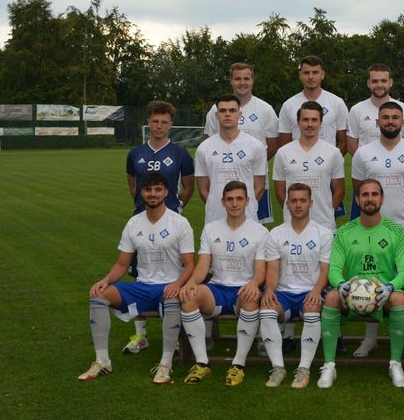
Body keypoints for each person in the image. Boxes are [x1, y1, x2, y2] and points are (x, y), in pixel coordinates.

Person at [78, 172, 195, 385]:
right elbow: (122, 264)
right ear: (141, 192)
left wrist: (177, 284)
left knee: (172, 298)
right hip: (142, 287)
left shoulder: (180, 223)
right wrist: (105, 280)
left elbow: (189, 264)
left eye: (158, 189)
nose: (153, 194)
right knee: (99, 295)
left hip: (168, 287)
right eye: (148, 190)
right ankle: (102, 361)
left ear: (166, 192)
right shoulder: (133, 223)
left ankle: (165, 364)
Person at [350, 101, 404, 357]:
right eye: (385, 117)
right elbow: (358, 189)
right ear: (377, 122)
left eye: (395, 117)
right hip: (372, 229)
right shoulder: (363, 153)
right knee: (370, 279)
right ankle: (370, 338)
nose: (390, 121)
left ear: (403, 122)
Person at [316, 180, 404, 389]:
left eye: (374, 194)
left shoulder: (396, 231)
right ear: (357, 199)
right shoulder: (344, 231)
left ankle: (395, 363)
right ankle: (329, 365)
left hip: (381, 295)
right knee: (332, 297)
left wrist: (389, 287)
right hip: (352, 294)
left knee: (398, 297)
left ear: (382, 198)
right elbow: (333, 269)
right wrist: (341, 285)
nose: (370, 199)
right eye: (365, 195)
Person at [178, 181, 272, 386]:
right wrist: (191, 283)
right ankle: (202, 363)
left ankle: (238, 364)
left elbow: (261, 272)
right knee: (189, 297)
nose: (235, 203)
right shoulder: (211, 229)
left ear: (247, 201)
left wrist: (254, 284)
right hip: (217, 290)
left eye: (239, 199)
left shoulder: (260, 232)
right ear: (222, 202)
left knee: (251, 297)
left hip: (243, 290)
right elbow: (203, 267)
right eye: (230, 199)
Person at [124, 100, 194, 353]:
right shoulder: (135, 154)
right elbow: (133, 184)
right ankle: (140, 335)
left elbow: (188, 186)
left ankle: (174, 336)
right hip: (142, 220)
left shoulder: (180, 154)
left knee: (174, 275)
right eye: (155, 121)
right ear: (149, 122)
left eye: (164, 122)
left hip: (170, 222)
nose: (159, 126)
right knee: (139, 274)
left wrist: (177, 207)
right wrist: (143, 204)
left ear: (171, 125)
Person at [260, 183, 332, 389]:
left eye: (302, 200)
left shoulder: (324, 234)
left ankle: (303, 369)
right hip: (283, 293)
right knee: (266, 308)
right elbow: (272, 269)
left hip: (310, 291)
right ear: (287, 204)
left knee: (312, 307)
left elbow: (325, 270)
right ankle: (278, 368)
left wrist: (317, 291)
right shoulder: (275, 234)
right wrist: (270, 291)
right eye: (294, 201)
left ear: (311, 203)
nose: (298, 205)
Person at [204, 62, 280, 224]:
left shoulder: (265, 109)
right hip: (222, 180)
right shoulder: (215, 111)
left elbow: (273, 145)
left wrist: (248, 164)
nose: (242, 83)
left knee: (256, 228)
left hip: (255, 181)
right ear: (231, 81)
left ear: (252, 80)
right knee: (220, 225)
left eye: (246, 78)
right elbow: (207, 145)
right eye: (238, 79)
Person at [273, 101, 344, 234]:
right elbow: (279, 192)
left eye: (314, 120)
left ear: (320, 123)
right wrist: (295, 212)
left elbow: (339, 191)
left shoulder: (333, 152)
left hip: (324, 225)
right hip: (292, 225)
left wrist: (328, 211)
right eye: (305, 120)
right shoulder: (283, 153)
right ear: (298, 122)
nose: (310, 124)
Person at [194, 95, 267, 224]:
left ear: (240, 114)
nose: (227, 114)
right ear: (217, 115)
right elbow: (203, 189)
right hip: (215, 219)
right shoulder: (204, 148)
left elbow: (260, 187)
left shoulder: (255, 146)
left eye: (232, 110)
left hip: (247, 218)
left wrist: (242, 207)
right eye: (223, 111)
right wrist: (220, 207)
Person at [277, 55, 349, 155]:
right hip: (298, 167)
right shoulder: (288, 105)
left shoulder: (337, 103)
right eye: (306, 73)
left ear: (322, 74)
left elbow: (345, 143)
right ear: (300, 75)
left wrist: (330, 162)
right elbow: (284, 144)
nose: (311, 77)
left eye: (315, 72)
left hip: (328, 168)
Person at [347, 63, 404, 155]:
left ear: (390, 82)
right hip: (367, 168)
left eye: (383, 81)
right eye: (375, 81)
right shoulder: (356, 110)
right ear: (368, 83)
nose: (379, 85)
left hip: (397, 167)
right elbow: (352, 146)